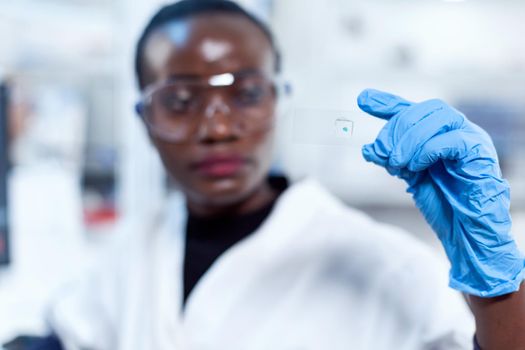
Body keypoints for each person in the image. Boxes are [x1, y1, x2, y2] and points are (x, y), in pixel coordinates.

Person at [25, 1, 525, 349]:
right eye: (179, 100)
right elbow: (70, 335)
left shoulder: (388, 266)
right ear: (143, 118)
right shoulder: (138, 245)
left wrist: (496, 295)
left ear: (279, 100)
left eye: (245, 94)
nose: (217, 128)